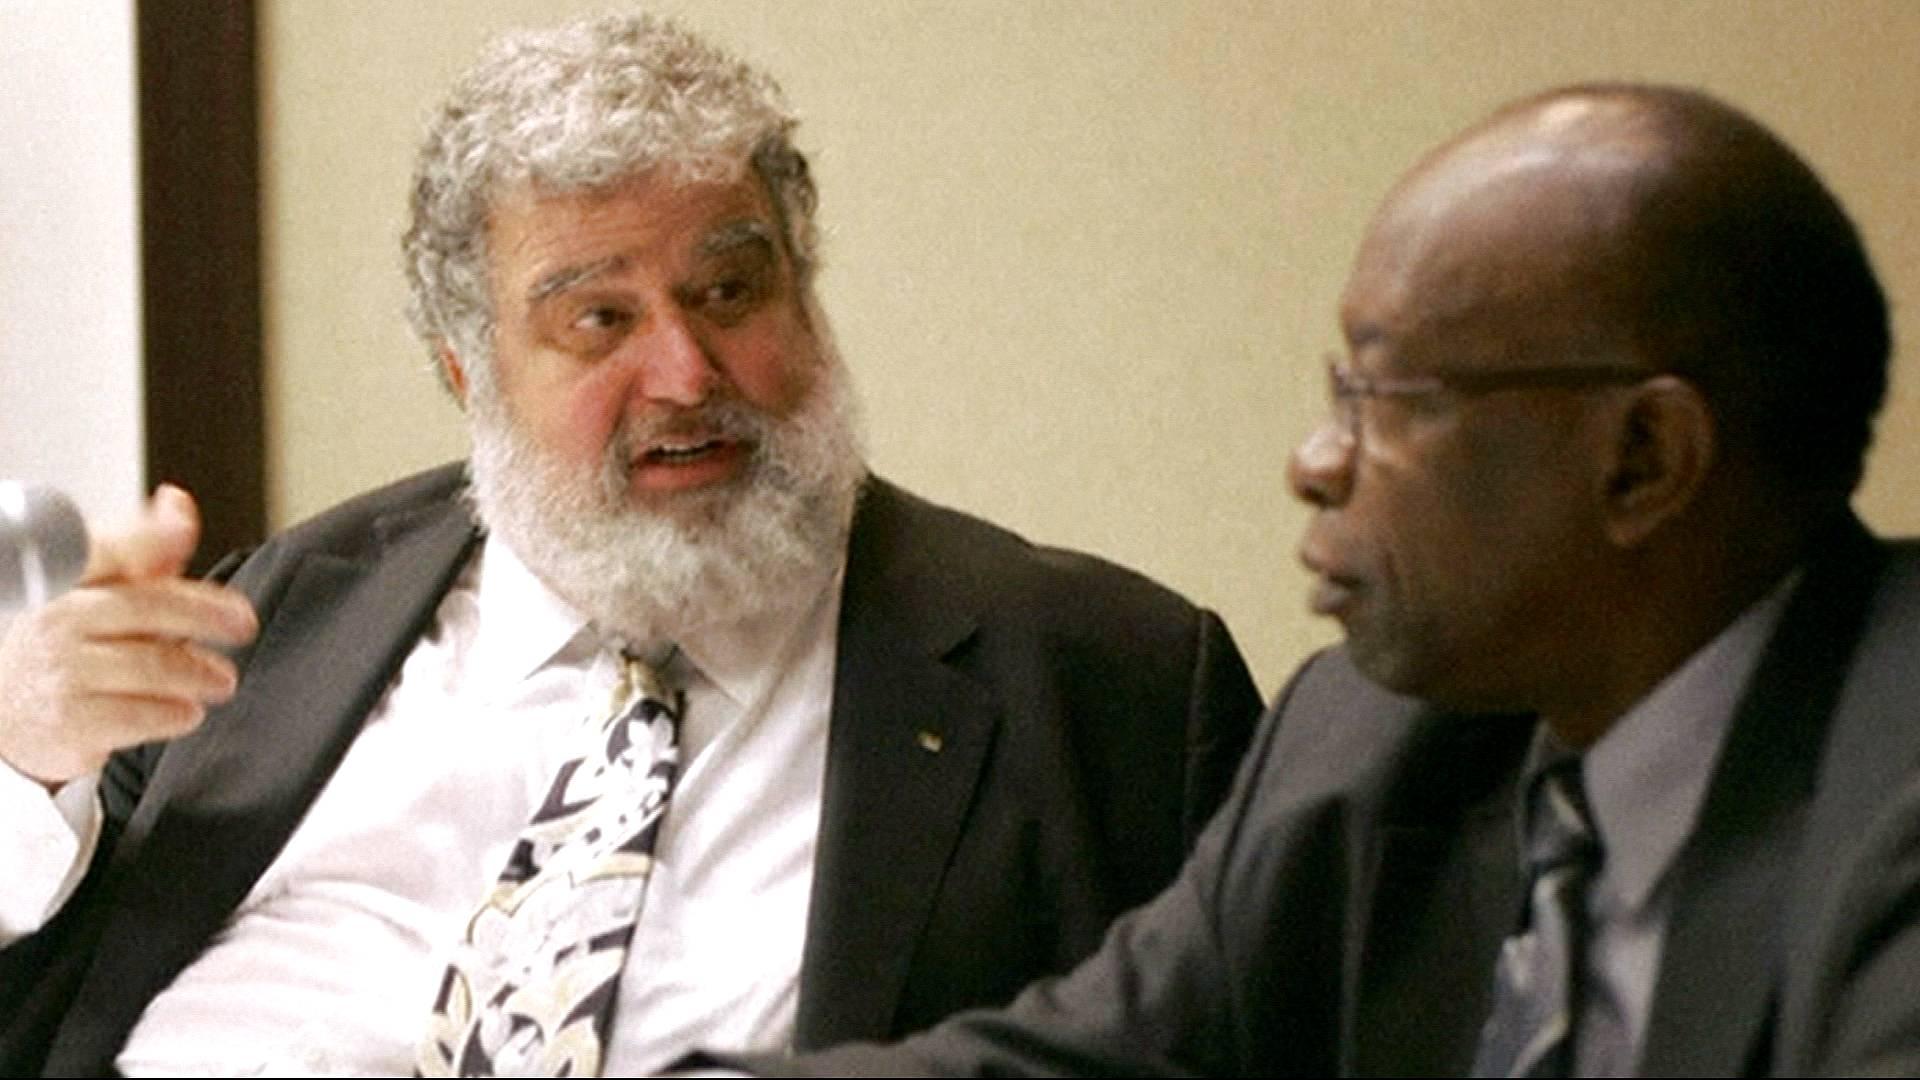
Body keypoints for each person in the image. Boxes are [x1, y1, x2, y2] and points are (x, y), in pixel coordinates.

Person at [0, 12, 1262, 1077]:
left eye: (730, 291)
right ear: (467, 371)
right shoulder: (275, 620)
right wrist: (22, 764)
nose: (685, 373)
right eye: (600, 320)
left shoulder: (1109, 687)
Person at [706, 82, 1920, 1076]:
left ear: (1643, 459)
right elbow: (1081, 1059)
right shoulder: (1367, 737)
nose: (1315, 461)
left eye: (1384, 399)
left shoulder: (1890, 802)